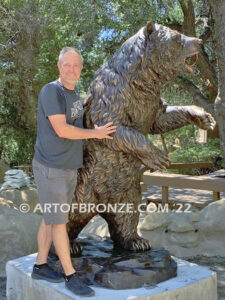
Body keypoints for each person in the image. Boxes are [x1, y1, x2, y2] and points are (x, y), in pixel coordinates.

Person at [31, 47, 116, 297]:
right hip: (51, 168)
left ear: (81, 69)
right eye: (66, 65)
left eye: (76, 65)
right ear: (59, 67)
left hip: (68, 167)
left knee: (51, 218)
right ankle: (70, 276)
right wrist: (95, 134)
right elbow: (62, 129)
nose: (71, 69)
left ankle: (40, 265)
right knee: (59, 223)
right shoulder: (51, 91)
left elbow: (77, 119)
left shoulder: (74, 92)